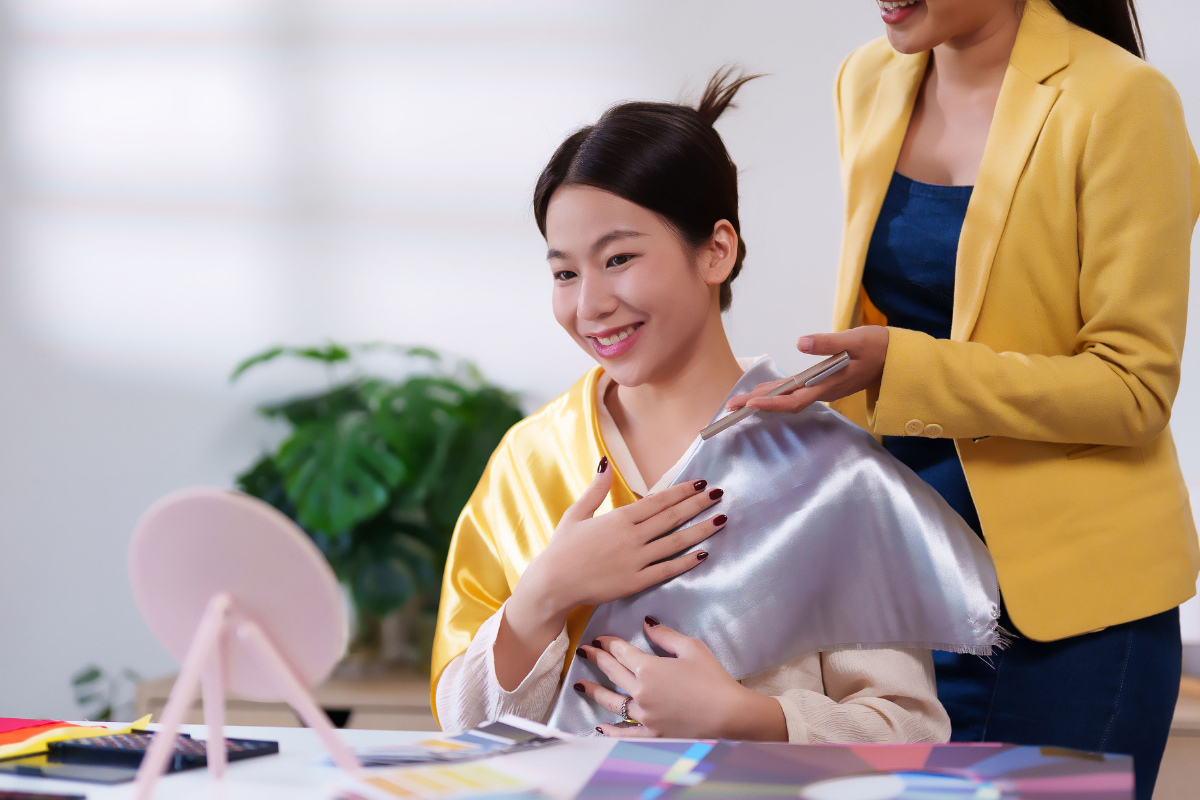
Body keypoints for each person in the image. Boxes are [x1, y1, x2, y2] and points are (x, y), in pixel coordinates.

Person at [430, 70, 1001, 744]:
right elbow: (461, 733)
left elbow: (909, 732)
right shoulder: (530, 460)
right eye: (564, 272)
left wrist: (743, 717)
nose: (589, 305)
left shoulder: (828, 470)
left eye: (619, 259)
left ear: (716, 252)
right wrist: (542, 596)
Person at [727, 2, 1198, 798]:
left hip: (1069, 614)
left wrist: (906, 366)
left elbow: (1133, 387)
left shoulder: (1122, 100)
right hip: (906, 591)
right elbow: (886, 327)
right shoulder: (868, 78)